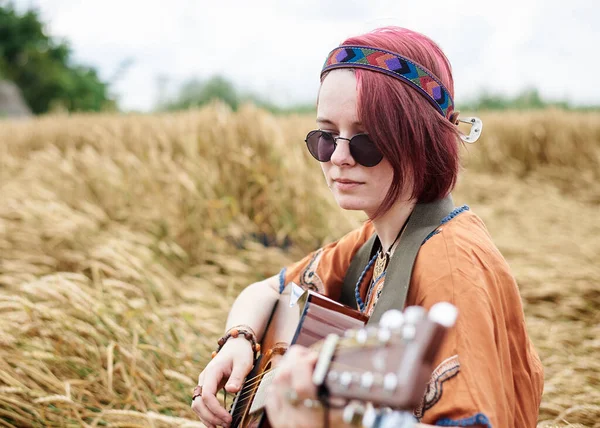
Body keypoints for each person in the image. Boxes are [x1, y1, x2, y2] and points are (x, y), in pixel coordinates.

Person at [191, 26, 544, 427]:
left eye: (366, 140)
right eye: (325, 136)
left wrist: (321, 420)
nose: (339, 156)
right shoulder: (376, 240)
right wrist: (238, 340)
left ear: (420, 140)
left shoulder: (451, 266)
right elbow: (269, 290)